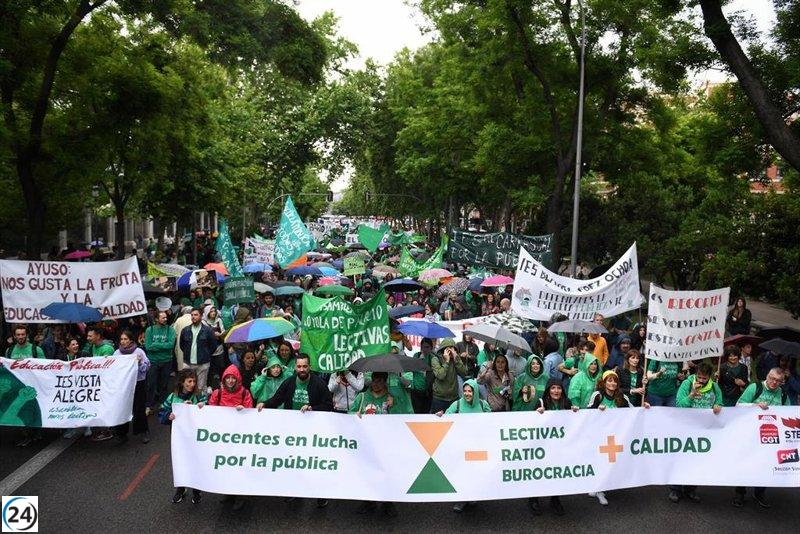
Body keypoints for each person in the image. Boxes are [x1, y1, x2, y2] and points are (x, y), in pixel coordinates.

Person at [259, 354, 332, 508]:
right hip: (293, 430)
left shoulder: (319, 384)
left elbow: (328, 405)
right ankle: (293, 490)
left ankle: (319, 495)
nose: (302, 369)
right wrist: (264, 404)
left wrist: (313, 408)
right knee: (293, 461)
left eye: (305, 366)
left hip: (313, 431)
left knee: (314, 463)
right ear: (295, 367)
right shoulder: (289, 382)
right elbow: (277, 399)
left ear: (309, 367)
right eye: (299, 366)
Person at [350, 372, 407, 517]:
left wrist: (392, 406)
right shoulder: (362, 397)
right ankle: (369, 501)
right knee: (368, 472)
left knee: (387, 473)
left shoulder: (391, 398)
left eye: (379, 381)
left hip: (385, 444)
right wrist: (354, 416)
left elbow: (400, 420)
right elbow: (349, 414)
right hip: (366, 443)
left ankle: (388, 502)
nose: (375, 384)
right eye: (374, 381)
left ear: (385, 382)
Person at [200, 364, 254, 511]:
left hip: (240, 438)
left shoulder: (245, 393)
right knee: (226, 466)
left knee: (239, 466)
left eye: (233, 378)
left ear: (238, 379)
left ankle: (240, 495)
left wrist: (245, 411)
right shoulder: (217, 393)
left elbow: (251, 415)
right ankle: (228, 492)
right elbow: (210, 411)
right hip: (223, 438)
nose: (230, 381)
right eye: (228, 378)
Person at [734, 368, 790, 508]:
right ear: (767, 376)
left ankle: (760, 492)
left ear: (782, 382)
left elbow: (788, 412)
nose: (774, 382)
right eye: (772, 378)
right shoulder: (755, 387)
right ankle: (740, 492)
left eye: (778, 380)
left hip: (770, 436)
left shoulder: (782, 393)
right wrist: (755, 405)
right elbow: (738, 405)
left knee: (766, 465)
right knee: (746, 463)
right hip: (750, 434)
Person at [434, 379, 490, 514]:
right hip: (461, 447)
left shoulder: (483, 405)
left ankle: (473, 495)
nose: (467, 393)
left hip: (477, 446)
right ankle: (461, 499)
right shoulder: (457, 404)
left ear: (475, 391)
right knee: (461, 472)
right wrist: (439, 416)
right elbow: (446, 419)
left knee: (475, 472)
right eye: (464, 391)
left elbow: (491, 423)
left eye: (470, 391)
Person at [670, 362, 722, 504]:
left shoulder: (715, 387)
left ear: (709, 377)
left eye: (704, 378)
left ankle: (691, 489)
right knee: (681, 458)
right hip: (685, 428)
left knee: (697, 460)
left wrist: (718, 406)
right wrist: (692, 394)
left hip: (704, 430)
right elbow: (679, 404)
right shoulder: (687, 384)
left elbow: (719, 402)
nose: (700, 380)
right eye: (698, 377)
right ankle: (675, 488)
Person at [530, 379, 578, 515]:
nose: (556, 391)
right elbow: (530, 422)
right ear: (548, 390)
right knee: (539, 472)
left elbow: (573, 423)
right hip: (543, 446)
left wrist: (575, 411)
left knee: (556, 472)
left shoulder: (567, 403)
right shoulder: (541, 402)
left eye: (559, 388)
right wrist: (537, 413)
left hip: (559, 446)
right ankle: (533, 498)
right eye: (553, 388)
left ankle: (555, 499)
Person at [163, 369, 205, 505]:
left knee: (196, 462)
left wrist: (201, 406)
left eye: (194, 381)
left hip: (195, 437)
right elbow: (162, 412)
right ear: (182, 382)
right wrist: (168, 416)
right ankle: (181, 489)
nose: (192, 384)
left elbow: (208, 409)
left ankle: (197, 490)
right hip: (179, 438)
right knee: (180, 462)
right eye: (189, 381)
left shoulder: (199, 395)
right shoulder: (172, 397)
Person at [112, 330, 151, 444]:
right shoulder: (116, 353)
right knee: (122, 408)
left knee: (138, 408)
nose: (123, 342)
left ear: (131, 340)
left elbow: (147, 366)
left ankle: (143, 431)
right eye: (121, 339)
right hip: (123, 385)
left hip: (138, 383)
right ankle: (121, 434)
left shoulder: (139, 352)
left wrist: (139, 363)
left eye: (125, 339)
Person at [178, 308, 218, 394]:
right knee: (186, 387)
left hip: (202, 363)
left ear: (201, 316)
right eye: (192, 315)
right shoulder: (185, 330)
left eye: (196, 315)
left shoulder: (208, 331)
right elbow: (182, 345)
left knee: (201, 387)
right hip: (188, 363)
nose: (193, 317)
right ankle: (187, 404)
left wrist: (205, 354)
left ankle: (200, 404)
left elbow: (214, 346)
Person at [144, 311, 175, 415]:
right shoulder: (150, 330)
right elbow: (148, 347)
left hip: (166, 361)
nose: (165, 319)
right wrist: (163, 345)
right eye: (163, 318)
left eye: (166, 317)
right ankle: (149, 405)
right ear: (156, 319)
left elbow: (171, 345)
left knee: (164, 384)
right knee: (151, 384)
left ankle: (163, 404)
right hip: (153, 361)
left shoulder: (170, 329)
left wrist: (155, 345)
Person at [429, 338, 470, 414]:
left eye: (453, 349)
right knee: (439, 423)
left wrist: (456, 359)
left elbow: (464, 373)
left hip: (453, 398)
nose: (451, 351)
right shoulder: (435, 359)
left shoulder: (455, 359)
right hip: (439, 399)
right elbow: (440, 375)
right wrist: (447, 361)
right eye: (449, 349)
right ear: (443, 350)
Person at [410, 338, 434, 414]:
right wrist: (419, 362)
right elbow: (410, 368)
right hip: (416, 390)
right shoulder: (416, 355)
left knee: (425, 414)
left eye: (427, 347)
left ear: (431, 348)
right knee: (417, 414)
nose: (425, 349)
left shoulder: (433, 358)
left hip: (427, 391)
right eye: (423, 347)